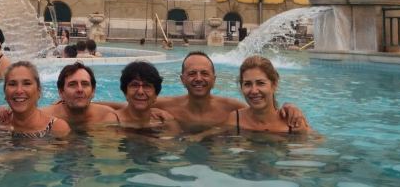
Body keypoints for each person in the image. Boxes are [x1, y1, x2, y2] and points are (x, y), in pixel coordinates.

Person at [148, 52, 306, 133]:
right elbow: (135, 106)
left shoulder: (232, 109)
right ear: (182, 79)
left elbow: (260, 110)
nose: (198, 78)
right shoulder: (164, 106)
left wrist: (290, 107)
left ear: (214, 79)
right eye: (192, 73)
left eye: (204, 73)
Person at [227, 55, 310, 134]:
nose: (254, 91)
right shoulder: (234, 120)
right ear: (241, 87)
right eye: (247, 84)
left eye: (261, 83)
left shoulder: (293, 124)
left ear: (274, 85)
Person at [0, 61, 70, 137]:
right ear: (5, 92)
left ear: (39, 91)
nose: (19, 90)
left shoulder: (57, 128)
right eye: (12, 84)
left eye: (27, 83)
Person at [41, 62, 119, 129]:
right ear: (61, 92)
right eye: (72, 84)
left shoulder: (106, 115)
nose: (80, 89)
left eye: (85, 84)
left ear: (93, 91)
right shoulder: (44, 117)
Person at [114, 61, 177, 131]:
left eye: (147, 86)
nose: (140, 92)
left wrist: (171, 122)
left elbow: (176, 136)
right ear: (125, 93)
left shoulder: (165, 120)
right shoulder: (113, 120)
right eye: (134, 85)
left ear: (155, 95)